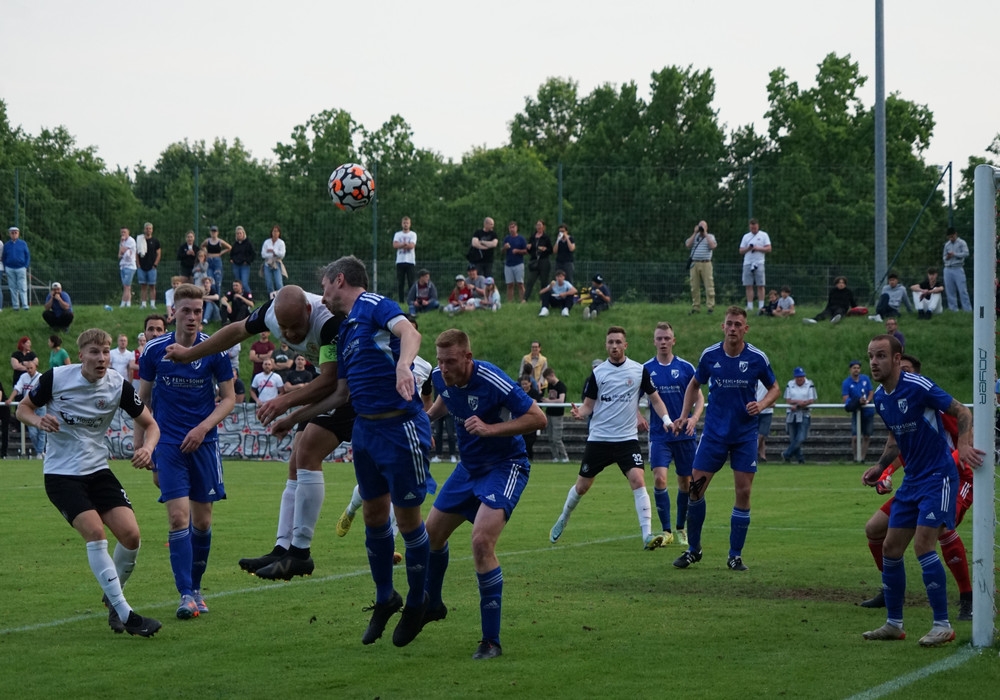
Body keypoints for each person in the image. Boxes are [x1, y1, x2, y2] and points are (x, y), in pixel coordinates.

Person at [165, 285, 354, 581]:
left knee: (308, 453)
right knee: (296, 461)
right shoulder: (270, 313)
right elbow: (237, 331)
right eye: (283, 328)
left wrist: (284, 404)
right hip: (331, 386)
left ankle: (300, 553)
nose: (289, 335)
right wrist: (190, 354)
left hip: (356, 385)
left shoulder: (329, 321)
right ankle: (283, 548)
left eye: (295, 327)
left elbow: (331, 382)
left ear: (308, 311)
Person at [16, 328, 162, 636]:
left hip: (97, 471)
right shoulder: (56, 379)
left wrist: (148, 449)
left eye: (106, 352)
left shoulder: (118, 385)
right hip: (61, 474)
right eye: (95, 352)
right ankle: (126, 614)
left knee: (131, 536)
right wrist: (38, 420)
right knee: (96, 533)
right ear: (81, 355)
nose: (102, 358)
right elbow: (22, 409)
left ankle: (112, 596)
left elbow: (151, 425)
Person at [319, 255, 433, 648]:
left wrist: (404, 365)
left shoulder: (372, 304)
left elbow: (410, 332)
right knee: (372, 514)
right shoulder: (346, 330)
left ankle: (417, 602)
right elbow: (341, 393)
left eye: (324, 287)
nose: (322, 296)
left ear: (339, 280)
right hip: (365, 430)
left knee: (408, 521)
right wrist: (293, 413)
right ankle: (386, 597)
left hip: (400, 427)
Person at [424, 329, 547, 660]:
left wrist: (490, 429)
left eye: (451, 361)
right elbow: (446, 397)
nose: (444, 368)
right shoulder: (439, 376)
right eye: (440, 361)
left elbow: (538, 418)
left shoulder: (492, 379)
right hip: (469, 468)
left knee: (481, 542)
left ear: (468, 357)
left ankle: (491, 641)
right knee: (430, 536)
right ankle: (432, 604)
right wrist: (426, 419)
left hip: (505, 466)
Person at [860, 335, 983, 646]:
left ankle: (942, 624)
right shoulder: (881, 398)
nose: (874, 362)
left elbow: (963, 411)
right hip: (912, 481)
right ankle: (894, 624)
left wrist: (963, 444)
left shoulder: (918, 386)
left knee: (924, 545)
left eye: (881, 356)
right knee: (890, 548)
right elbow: (894, 441)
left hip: (939, 477)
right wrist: (880, 467)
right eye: (871, 356)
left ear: (897, 359)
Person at [137, 283, 235, 620]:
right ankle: (185, 595)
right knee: (178, 517)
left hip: (204, 443)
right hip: (168, 443)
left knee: (203, 521)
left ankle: (196, 587)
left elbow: (229, 399)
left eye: (198, 311)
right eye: (187, 311)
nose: (193, 317)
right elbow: (142, 401)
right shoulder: (154, 351)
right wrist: (142, 445)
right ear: (173, 313)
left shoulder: (215, 350)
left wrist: (203, 428)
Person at [671, 306, 779, 572]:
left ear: (745, 329)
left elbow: (775, 388)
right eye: (729, 323)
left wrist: (762, 404)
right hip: (714, 435)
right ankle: (694, 550)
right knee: (695, 489)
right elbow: (694, 384)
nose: (732, 328)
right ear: (723, 327)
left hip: (744, 436)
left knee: (744, 492)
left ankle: (735, 555)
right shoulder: (710, 356)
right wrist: (684, 416)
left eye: (738, 324)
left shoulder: (756, 358)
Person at [549, 325, 674, 550]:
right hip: (599, 439)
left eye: (618, 342)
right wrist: (580, 413)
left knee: (638, 480)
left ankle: (647, 535)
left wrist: (666, 420)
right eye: (610, 342)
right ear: (606, 345)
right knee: (582, 486)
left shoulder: (638, 370)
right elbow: (588, 406)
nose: (614, 346)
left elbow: (655, 399)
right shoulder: (598, 374)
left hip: (626, 440)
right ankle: (564, 516)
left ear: (625, 345)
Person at [643, 322, 703, 546]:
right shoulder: (646, 369)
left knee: (686, 482)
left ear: (673, 341)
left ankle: (680, 528)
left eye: (667, 338)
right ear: (654, 341)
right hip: (659, 435)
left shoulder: (686, 368)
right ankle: (666, 530)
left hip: (684, 435)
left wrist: (694, 419)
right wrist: (638, 415)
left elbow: (700, 398)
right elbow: (633, 396)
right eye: (659, 338)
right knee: (659, 478)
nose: (663, 342)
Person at [9, 358, 46, 457]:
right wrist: (10, 399)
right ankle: (39, 450)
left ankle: (40, 452)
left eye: (31, 368)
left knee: (42, 430)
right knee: (33, 432)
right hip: (29, 406)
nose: (29, 370)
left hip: (40, 406)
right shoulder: (23, 377)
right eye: (28, 368)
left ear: (36, 368)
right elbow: (17, 388)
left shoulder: (41, 377)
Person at [842, 359, 876, 462]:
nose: (856, 370)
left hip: (868, 411)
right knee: (855, 437)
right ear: (850, 369)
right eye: (854, 368)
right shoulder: (846, 382)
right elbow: (846, 398)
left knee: (866, 436)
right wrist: (856, 402)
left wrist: (867, 401)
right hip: (856, 411)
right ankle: (855, 457)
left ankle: (862, 457)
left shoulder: (865, 379)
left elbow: (871, 392)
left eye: (858, 368)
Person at [782, 367, 816, 463]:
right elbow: (788, 400)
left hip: (804, 413)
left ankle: (786, 454)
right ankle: (800, 458)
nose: (800, 379)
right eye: (798, 377)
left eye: (801, 376)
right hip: (792, 413)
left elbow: (811, 400)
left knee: (801, 437)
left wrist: (799, 405)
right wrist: (799, 402)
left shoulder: (809, 384)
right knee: (793, 437)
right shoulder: (790, 384)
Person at [738, 219, 771, 314]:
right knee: (748, 285)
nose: (754, 229)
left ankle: (761, 306)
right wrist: (748, 248)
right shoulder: (746, 237)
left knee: (760, 285)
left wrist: (758, 248)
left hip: (759, 262)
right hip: (747, 263)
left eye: (755, 228)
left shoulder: (764, 235)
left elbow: (769, 248)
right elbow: (741, 250)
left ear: (758, 226)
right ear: (749, 227)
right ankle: (750, 305)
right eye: (752, 228)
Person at [685, 220, 716, 314]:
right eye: (700, 226)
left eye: (703, 226)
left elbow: (713, 246)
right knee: (694, 286)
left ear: (707, 227)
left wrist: (705, 234)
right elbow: (688, 245)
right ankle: (696, 307)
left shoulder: (710, 236)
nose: (701, 228)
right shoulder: (695, 237)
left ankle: (710, 306)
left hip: (706, 263)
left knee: (709, 285)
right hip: (694, 263)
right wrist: (695, 233)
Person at [540, 367, 569, 462]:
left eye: (548, 378)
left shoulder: (561, 386)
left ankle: (564, 456)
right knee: (550, 438)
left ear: (552, 375)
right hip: (549, 413)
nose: (547, 381)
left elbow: (561, 400)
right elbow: (551, 397)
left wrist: (549, 401)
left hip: (557, 415)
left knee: (557, 438)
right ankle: (555, 456)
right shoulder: (550, 385)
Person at [942, 227, 972, 312]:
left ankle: (967, 309)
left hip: (958, 268)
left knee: (962, 290)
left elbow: (966, 253)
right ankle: (953, 309)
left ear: (955, 234)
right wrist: (947, 257)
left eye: (952, 236)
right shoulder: (947, 245)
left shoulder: (962, 243)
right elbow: (944, 257)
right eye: (949, 237)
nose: (951, 239)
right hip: (948, 268)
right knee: (950, 290)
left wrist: (955, 254)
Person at [523, 220, 553, 302]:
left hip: (544, 260)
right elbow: (529, 251)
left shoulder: (546, 238)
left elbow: (551, 250)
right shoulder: (532, 237)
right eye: (537, 225)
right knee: (530, 280)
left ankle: (543, 299)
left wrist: (545, 249)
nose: (538, 227)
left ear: (543, 227)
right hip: (534, 261)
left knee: (544, 281)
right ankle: (525, 298)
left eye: (540, 225)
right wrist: (528, 247)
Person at [3, 226, 30, 311]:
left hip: (21, 268)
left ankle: (25, 305)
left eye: (15, 233)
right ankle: (15, 306)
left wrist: (25, 266)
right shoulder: (7, 245)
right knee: (13, 287)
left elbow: (27, 255)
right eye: (12, 233)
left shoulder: (23, 244)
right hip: (10, 268)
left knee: (22, 287)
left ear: (18, 234)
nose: (14, 234)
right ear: (9, 234)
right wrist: (6, 266)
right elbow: (4, 256)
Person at [137, 222, 162, 309]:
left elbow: (159, 254)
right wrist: (138, 265)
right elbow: (137, 253)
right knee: (143, 286)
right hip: (142, 266)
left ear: (152, 230)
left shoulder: (155, 241)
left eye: (150, 229)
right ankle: (143, 304)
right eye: (147, 228)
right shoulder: (140, 241)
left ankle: (152, 304)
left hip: (152, 267)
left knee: (152, 286)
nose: (148, 230)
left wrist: (155, 264)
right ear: (144, 230)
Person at [502, 220, 528, 303]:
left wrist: (518, 251)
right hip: (508, 264)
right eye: (510, 227)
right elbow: (502, 251)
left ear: (516, 228)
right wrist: (505, 248)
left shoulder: (521, 239)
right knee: (509, 284)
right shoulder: (507, 238)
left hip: (518, 264)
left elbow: (526, 251)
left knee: (520, 283)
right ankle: (510, 302)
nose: (512, 229)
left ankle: (523, 300)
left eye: (513, 227)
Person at [393, 216, 418, 303]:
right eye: (404, 223)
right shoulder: (397, 234)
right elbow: (395, 245)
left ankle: (411, 300)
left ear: (410, 224)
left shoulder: (413, 234)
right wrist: (405, 244)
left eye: (407, 223)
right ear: (402, 224)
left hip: (410, 261)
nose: (406, 224)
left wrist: (401, 245)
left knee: (411, 282)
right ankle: (401, 300)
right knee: (400, 282)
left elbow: (412, 246)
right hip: (400, 261)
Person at [200, 225, 231, 292]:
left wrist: (221, 253)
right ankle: (212, 294)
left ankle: (218, 296)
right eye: (212, 231)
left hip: (217, 261)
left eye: (215, 231)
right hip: (209, 260)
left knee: (218, 279)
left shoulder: (220, 241)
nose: (213, 233)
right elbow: (202, 246)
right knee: (210, 279)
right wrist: (206, 252)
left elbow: (229, 247)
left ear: (217, 233)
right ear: (210, 232)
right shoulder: (207, 241)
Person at [261, 225, 286, 299]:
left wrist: (273, 251)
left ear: (279, 233)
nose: (275, 233)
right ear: (271, 232)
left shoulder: (281, 243)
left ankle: (282, 298)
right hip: (267, 263)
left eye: (277, 231)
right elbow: (263, 254)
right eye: (274, 231)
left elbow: (282, 254)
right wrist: (273, 254)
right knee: (269, 283)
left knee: (278, 283)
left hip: (276, 263)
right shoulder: (267, 242)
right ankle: (271, 299)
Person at [229, 225, 255, 295]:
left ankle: (249, 297)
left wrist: (247, 261)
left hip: (244, 266)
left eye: (240, 233)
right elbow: (232, 253)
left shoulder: (248, 243)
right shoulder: (235, 244)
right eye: (237, 233)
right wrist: (231, 259)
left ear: (243, 234)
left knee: (244, 283)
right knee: (237, 284)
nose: (239, 235)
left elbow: (253, 254)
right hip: (236, 265)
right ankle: (239, 298)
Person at [118, 226, 137, 308]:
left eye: (124, 232)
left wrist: (122, 244)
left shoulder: (130, 241)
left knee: (126, 286)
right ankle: (128, 303)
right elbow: (119, 255)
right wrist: (121, 244)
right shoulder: (122, 242)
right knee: (127, 286)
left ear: (128, 233)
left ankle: (123, 303)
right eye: (122, 232)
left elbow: (122, 251)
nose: (123, 234)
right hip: (123, 265)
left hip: (130, 266)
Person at [755, 380, 773, 463]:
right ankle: (762, 456)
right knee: (758, 435)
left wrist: (771, 401)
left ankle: (753, 452)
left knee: (762, 434)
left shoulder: (768, 379)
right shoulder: (753, 379)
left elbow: (774, 391)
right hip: (755, 410)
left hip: (767, 411)